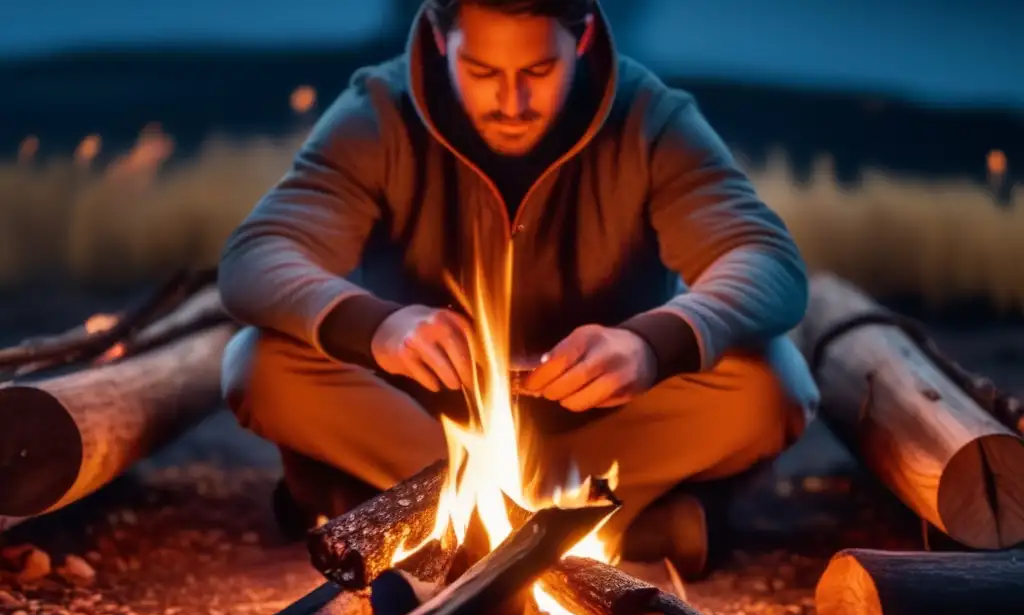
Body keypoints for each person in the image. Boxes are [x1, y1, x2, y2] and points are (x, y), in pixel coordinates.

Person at [218, 0, 820, 577]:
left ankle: (410, 512)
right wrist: (379, 327)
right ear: (437, 39)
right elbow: (256, 256)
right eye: (481, 71)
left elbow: (768, 261)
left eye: (539, 70)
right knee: (259, 363)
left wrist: (648, 344)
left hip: (602, 427)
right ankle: (624, 529)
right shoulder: (377, 112)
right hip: (419, 421)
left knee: (774, 383)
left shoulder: (650, 119)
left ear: (581, 39)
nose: (512, 102)